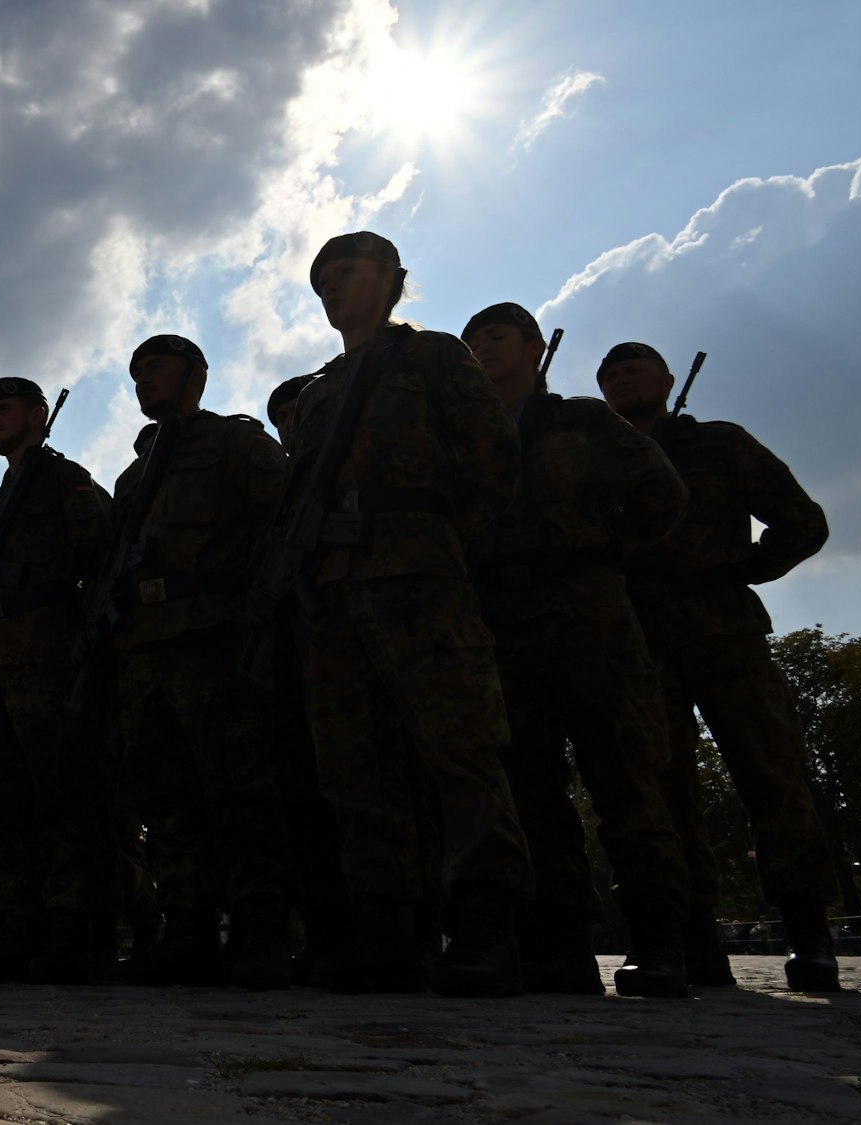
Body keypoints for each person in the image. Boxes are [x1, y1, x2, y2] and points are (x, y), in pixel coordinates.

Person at [282, 232, 533, 996]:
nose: (332, 289)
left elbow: (493, 456)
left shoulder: (432, 357)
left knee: (460, 747)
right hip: (335, 587)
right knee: (355, 763)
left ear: (393, 279)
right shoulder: (321, 390)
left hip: (418, 571)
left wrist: (435, 536)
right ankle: (387, 929)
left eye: (347, 273)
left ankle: (488, 925)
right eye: (321, 280)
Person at [464, 302, 692, 998]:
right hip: (503, 619)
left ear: (534, 346)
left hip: (586, 614)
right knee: (530, 785)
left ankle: (661, 941)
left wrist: (601, 551)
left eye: (497, 337)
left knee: (624, 775)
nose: (483, 349)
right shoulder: (466, 438)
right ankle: (560, 942)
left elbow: (663, 493)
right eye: (472, 341)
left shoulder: (583, 421)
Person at [598, 340, 840, 991]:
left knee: (773, 775)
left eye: (634, 369)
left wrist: (738, 571)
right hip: (643, 641)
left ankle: (809, 932)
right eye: (611, 376)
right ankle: (692, 936)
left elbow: (801, 522)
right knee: (661, 790)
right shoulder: (606, 465)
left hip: (723, 630)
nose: (622, 381)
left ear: (668, 378)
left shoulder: (719, 443)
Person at [104, 334, 293, 989]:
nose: (143, 379)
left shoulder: (238, 445)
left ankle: (259, 927)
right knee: (168, 797)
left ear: (195, 374)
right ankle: (187, 926)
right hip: (146, 650)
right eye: (135, 371)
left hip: (215, 637)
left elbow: (282, 529)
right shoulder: (133, 478)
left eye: (155, 366)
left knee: (239, 786)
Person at [0, 376, 115, 983]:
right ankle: (20, 926)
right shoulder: (3, 497)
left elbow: (100, 550)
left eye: (4, 409)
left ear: (37, 413)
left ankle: (75, 929)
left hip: (46, 653)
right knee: (2, 803)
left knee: (61, 794)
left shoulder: (60, 479)